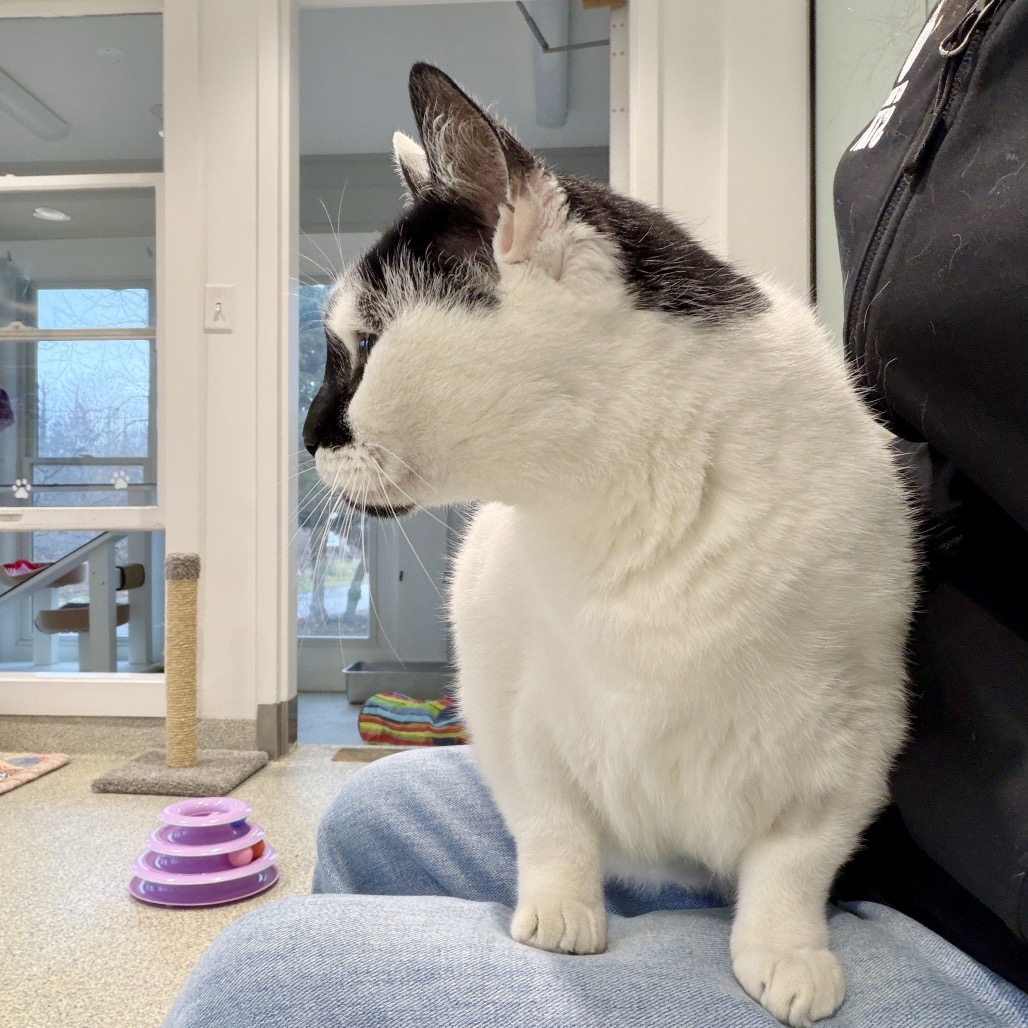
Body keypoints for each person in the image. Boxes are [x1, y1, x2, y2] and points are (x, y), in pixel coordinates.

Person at [165, 2, 1028, 1024]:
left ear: (518, 234)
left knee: (252, 984)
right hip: (833, 806)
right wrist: (555, 847)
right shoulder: (948, 49)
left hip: (972, 909)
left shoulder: (811, 461)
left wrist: (782, 900)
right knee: (363, 811)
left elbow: (853, 711)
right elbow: (507, 657)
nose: (321, 427)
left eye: (358, 355)